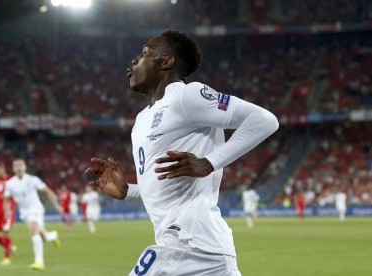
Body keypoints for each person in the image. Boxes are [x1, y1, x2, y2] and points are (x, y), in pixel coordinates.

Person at [85, 29, 279, 275]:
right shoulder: (142, 120)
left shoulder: (187, 95)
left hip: (192, 244)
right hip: (196, 250)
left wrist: (210, 162)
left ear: (166, 61)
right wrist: (128, 191)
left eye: (144, 54)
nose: (134, 60)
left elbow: (264, 120)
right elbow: (166, 188)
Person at [4, 158, 63, 271]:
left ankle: (39, 262)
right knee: (43, 237)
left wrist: (56, 205)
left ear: (25, 167)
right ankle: (53, 236)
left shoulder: (33, 179)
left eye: (20, 165)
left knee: (34, 231)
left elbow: (48, 191)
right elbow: (6, 199)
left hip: (36, 208)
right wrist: (7, 211)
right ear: (13, 169)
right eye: (16, 166)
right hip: (24, 213)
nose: (19, 167)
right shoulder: (10, 183)